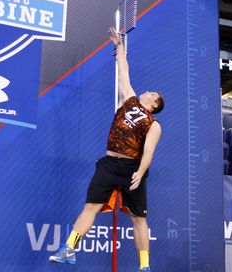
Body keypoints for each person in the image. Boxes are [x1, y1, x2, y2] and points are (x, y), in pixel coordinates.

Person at [50, 27, 164, 272]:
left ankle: (144, 267)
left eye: (152, 93)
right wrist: (119, 45)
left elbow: (149, 152)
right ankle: (69, 249)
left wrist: (140, 173)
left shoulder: (154, 124)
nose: (148, 90)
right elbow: (123, 70)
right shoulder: (130, 99)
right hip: (110, 164)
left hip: (132, 168)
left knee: (138, 218)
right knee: (90, 206)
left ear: (154, 104)